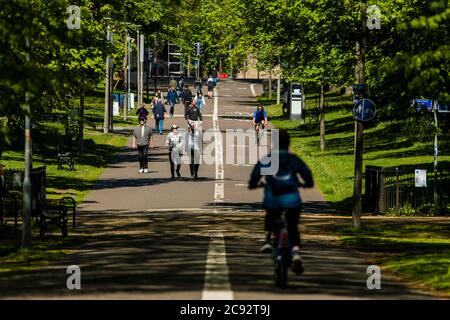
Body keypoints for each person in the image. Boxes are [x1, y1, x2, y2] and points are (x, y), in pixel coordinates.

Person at [248, 129, 314, 275]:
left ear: (274, 143)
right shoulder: (294, 160)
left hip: (273, 200)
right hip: (292, 200)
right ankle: (296, 252)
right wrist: (306, 184)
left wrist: (254, 184)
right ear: (288, 143)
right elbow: (308, 178)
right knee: (293, 226)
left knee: (270, 214)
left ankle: (267, 239)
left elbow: (254, 177)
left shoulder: (269, 159)